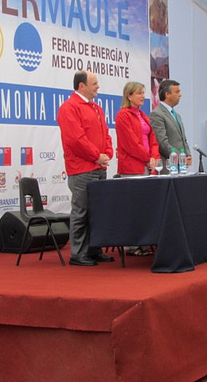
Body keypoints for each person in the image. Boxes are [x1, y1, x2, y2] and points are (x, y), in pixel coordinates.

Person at [57, 71, 115, 266]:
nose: (98, 86)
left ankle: (94, 249)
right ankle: (78, 253)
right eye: (94, 83)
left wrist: (107, 154)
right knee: (81, 211)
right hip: (81, 169)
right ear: (81, 86)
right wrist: (97, 156)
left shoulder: (96, 108)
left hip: (98, 166)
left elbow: (106, 134)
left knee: (97, 211)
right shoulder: (69, 108)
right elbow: (76, 139)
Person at [115, 81, 161, 176]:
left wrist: (154, 157)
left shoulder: (143, 116)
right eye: (139, 93)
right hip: (132, 168)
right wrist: (148, 159)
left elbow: (153, 140)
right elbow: (131, 144)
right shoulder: (123, 115)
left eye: (143, 93)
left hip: (148, 166)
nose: (143, 96)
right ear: (129, 96)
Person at [149, 79, 191, 173]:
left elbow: (183, 139)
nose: (180, 95)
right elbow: (162, 143)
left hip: (181, 166)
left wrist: (187, 154)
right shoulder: (157, 114)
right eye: (177, 92)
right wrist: (180, 157)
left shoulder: (176, 115)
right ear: (167, 94)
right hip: (168, 167)